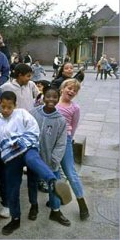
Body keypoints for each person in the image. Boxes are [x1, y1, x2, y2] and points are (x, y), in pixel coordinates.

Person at [0, 91, 72, 236]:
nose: (6, 110)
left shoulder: (22, 114)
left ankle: (52, 181)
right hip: (11, 157)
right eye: (3, 106)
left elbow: (33, 130)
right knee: (12, 188)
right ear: (0, 104)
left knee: (33, 160)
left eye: (9, 107)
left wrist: (19, 142)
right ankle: (15, 218)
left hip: (27, 148)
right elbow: (0, 145)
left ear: (15, 105)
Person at [30, 87, 71, 226]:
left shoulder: (60, 120)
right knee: (32, 183)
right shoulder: (34, 113)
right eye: (48, 96)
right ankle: (33, 206)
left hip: (50, 161)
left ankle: (55, 210)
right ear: (43, 97)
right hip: (34, 158)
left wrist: (54, 159)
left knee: (54, 184)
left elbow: (61, 143)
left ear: (58, 98)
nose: (51, 100)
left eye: (55, 97)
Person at [56, 78, 90, 221]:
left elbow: (74, 126)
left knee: (70, 172)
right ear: (62, 89)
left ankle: (82, 203)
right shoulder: (53, 102)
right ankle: (57, 199)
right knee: (54, 171)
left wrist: (69, 139)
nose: (71, 91)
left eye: (74, 90)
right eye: (69, 88)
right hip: (51, 142)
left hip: (65, 141)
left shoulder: (74, 108)